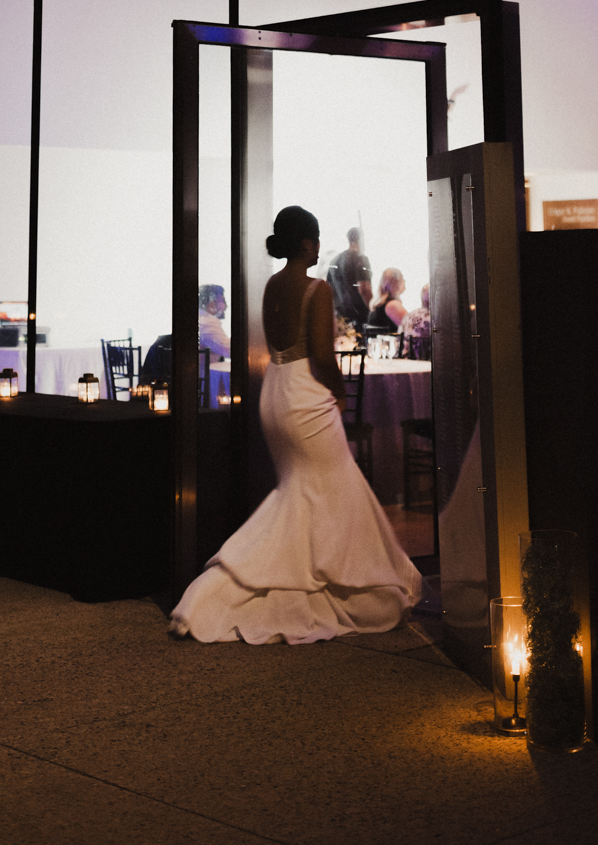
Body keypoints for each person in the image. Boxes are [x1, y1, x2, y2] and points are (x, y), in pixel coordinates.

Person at [170, 204, 421, 643]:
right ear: (307, 243)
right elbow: (323, 356)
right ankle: (229, 587)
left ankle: (313, 578)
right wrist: (340, 391)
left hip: (276, 394)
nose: (320, 245)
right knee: (325, 490)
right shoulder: (317, 289)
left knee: (306, 493)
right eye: (317, 238)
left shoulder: (271, 286)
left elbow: (274, 344)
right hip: (306, 396)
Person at [326, 227, 373, 327]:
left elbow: (329, 290)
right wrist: (373, 312)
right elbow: (364, 289)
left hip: (340, 316)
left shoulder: (334, 261)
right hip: (359, 317)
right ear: (361, 239)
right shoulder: (361, 259)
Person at [366, 268, 408, 333]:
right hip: (390, 342)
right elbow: (411, 326)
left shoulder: (377, 303)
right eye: (402, 279)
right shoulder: (392, 305)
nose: (405, 281)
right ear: (396, 283)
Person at [198, 284, 230, 360]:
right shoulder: (207, 323)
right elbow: (229, 350)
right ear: (211, 304)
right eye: (222, 301)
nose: (226, 306)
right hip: (205, 371)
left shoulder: (200, 319)